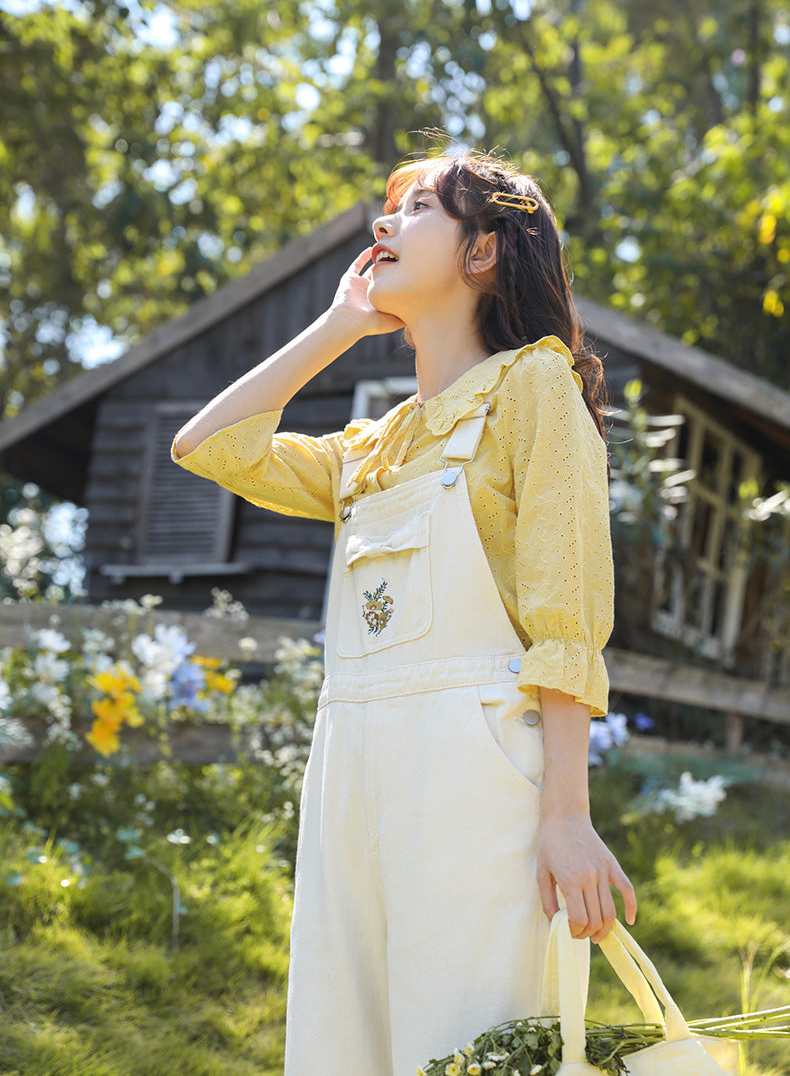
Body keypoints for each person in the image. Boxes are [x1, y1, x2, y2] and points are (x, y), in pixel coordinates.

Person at [172, 150, 637, 1076]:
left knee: (459, 1044)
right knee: (338, 1045)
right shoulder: (369, 448)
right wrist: (340, 326)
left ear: (483, 251)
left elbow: (566, 616)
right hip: (348, 767)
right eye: (387, 209)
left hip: (472, 774)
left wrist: (568, 816)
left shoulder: (535, 388)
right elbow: (207, 446)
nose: (383, 225)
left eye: (419, 207)